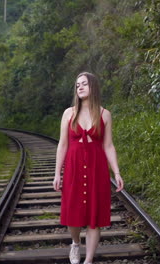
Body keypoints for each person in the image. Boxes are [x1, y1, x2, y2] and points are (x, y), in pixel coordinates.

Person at [53, 72, 124, 264]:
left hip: (97, 168)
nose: (80, 87)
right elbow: (63, 145)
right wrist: (57, 173)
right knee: (73, 214)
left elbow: (108, 145)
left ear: (93, 86)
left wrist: (116, 172)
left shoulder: (104, 114)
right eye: (77, 85)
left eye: (84, 84)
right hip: (74, 168)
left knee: (94, 215)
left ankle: (89, 260)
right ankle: (75, 244)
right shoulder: (69, 113)